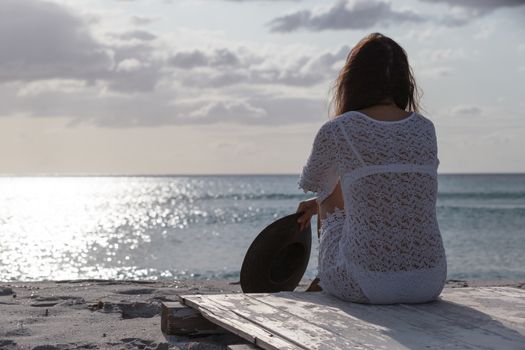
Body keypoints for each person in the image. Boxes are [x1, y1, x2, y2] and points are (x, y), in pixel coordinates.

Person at [296, 33, 447, 304]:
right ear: (404, 82)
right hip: (430, 281)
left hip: (365, 283)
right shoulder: (425, 128)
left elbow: (317, 183)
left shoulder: (339, 128)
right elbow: (388, 184)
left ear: (351, 80)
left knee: (326, 193)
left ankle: (325, 279)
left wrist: (319, 201)